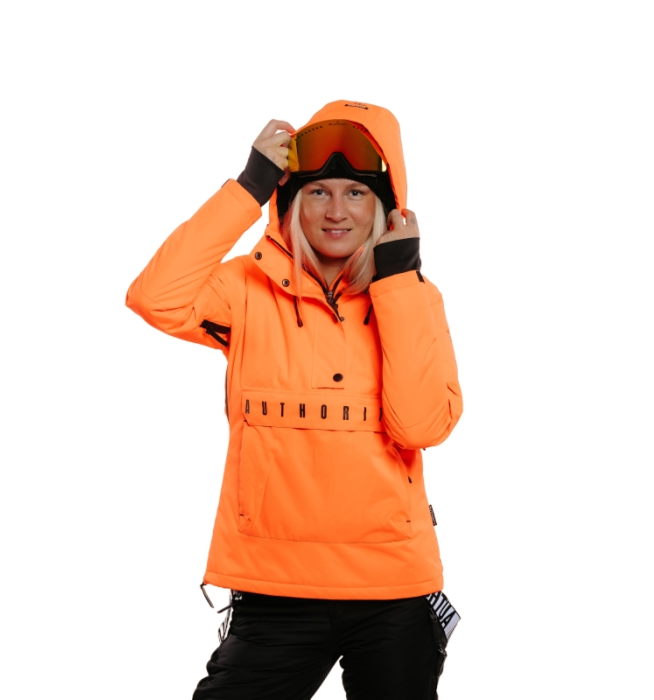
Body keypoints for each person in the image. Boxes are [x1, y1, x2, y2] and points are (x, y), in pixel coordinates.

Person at [126, 100, 463, 700]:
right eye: (317, 193)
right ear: (289, 202)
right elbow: (156, 298)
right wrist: (247, 188)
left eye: (356, 194)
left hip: (393, 590)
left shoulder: (414, 297)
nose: (336, 212)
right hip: (274, 587)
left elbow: (418, 427)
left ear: (385, 208)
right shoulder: (245, 290)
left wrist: (397, 280)